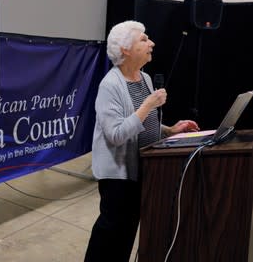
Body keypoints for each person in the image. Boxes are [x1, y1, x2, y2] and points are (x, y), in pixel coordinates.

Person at [84, 20, 199, 262]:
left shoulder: (145, 79)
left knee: (126, 234)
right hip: (118, 175)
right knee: (110, 234)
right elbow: (116, 134)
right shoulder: (110, 85)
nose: (152, 43)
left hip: (143, 168)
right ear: (125, 49)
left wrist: (169, 130)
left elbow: (142, 124)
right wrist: (148, 105)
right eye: (144, 39)